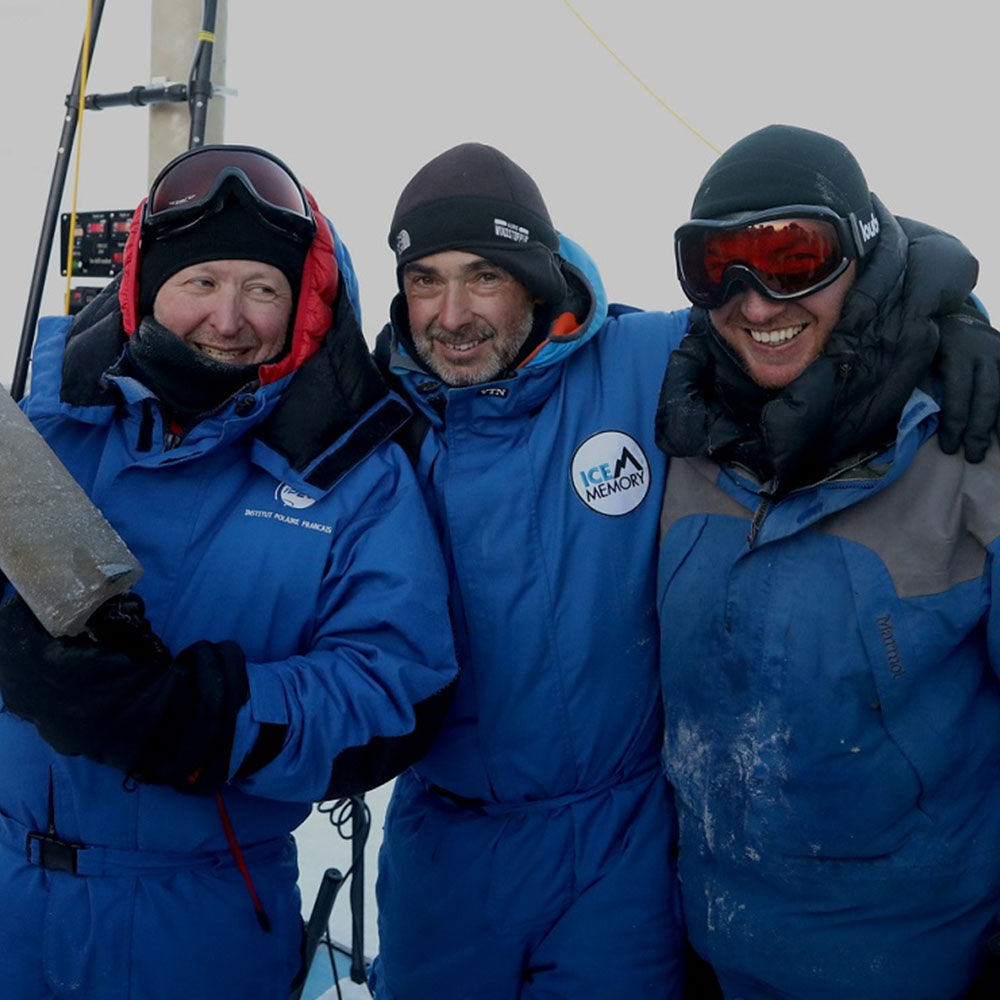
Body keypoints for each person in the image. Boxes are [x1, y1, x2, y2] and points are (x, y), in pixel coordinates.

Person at [369, 141, 1000, 999]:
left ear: (537, 279)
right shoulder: (375, 416)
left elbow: (825, 296)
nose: (451, 314)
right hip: (443, 848)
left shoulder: (643, 365)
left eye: (484, 275)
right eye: (424, 280)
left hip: (619, 849)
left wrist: (945, 313)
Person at [0, 144, 458, 1000]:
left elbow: (397, 684)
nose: (229, 317)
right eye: (201, 281)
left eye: (262, 289)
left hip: (198, 923)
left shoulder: (351, 471)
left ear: (304, 306)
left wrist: (199, 717)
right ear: (145, 288)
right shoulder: (54, 421)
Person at [655, 123, 1000, 999]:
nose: (755, 305)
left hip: (915, 964)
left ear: (866, 258)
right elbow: (532, 350)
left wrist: (949, 305)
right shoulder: (682, 430)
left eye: (795, 257)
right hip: (710, 949)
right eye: (714, 268)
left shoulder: (971, 450)